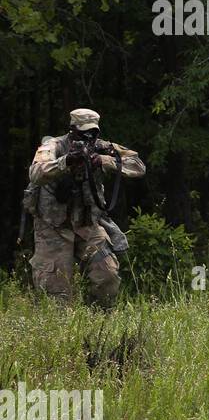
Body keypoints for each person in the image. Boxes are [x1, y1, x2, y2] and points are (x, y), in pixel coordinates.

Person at [25, 108, 145, 307]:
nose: (88, 138)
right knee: (56, 294)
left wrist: (103, 161)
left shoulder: (101, 147)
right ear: (72, 130)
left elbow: (138, 165)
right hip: (54, 227)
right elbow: (36, 173)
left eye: (92, 133)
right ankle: (60, 333)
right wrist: (66, 161)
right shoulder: (53, 145)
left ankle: (98, 327)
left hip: (87, 223)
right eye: (83, 134)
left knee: (107, 275)